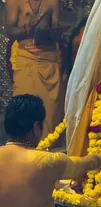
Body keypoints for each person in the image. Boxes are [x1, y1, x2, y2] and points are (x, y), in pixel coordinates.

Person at [5, 0, 65, 139]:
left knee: (51, 111)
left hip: (48, 59)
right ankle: (24, 149)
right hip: (26, 57)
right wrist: (27, 28)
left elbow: (57, 32)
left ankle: (48, 149)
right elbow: (9, 30)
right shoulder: (14, 2)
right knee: (23, 107)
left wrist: (47, 32)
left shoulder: (53, 2)